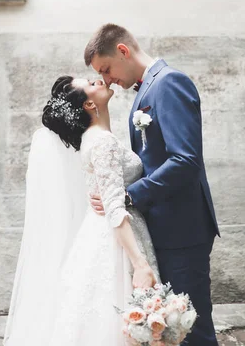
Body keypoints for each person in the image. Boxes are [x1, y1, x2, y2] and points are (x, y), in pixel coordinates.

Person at [85, 23, 220, 345]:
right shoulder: (144, 92)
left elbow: (185, 160)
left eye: (106, 69)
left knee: (191, 326)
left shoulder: (170, 83)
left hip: (182, 229)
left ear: (123, 50)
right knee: (170, 328)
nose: (106, 80)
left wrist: (128, 196)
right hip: (161, 227)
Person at [5, 75, 159, 346]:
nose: (99, 80)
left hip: (98, 235)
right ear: (89, 104)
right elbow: (113, 208)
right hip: (117, 241)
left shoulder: (92, 138)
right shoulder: (103, 142)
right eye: (91, 83)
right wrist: (140, 264)